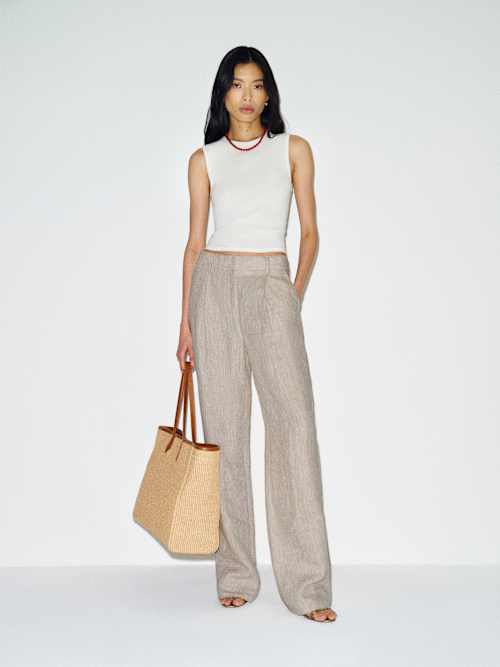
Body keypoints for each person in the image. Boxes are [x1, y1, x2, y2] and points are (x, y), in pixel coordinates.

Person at [177, 46, 337, 623]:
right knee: (225, 435)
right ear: (223, 94)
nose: (247, 96)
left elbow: (310, 233)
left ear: (269, 93)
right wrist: (185, 322)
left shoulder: (294, 150)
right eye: (236, 85)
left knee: (294, 427)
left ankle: (308, 586)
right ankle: (237, 573)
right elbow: (194, 244)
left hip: (271, 280)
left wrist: (290, 296)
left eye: (257, 84)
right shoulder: (205, 159)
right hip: (214, 287)